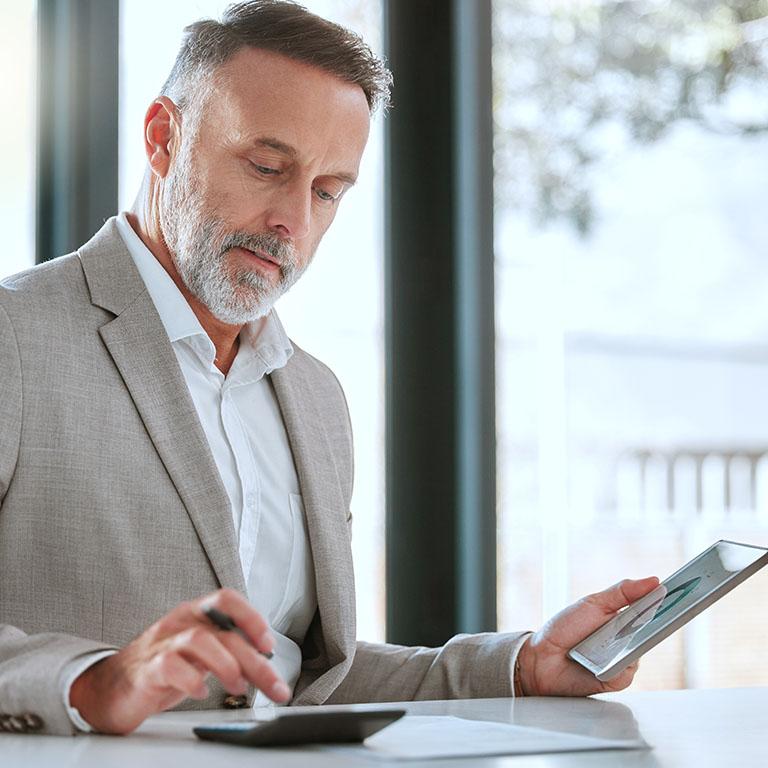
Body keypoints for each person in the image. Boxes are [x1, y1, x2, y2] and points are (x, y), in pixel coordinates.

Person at [0, 0, 659, 737]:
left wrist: (520, 666)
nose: (294, 221)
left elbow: (307, 679)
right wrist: (91, 681)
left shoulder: (314, 395)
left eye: (326, 191)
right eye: (267, 166)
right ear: (163, 139)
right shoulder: (14, 336)